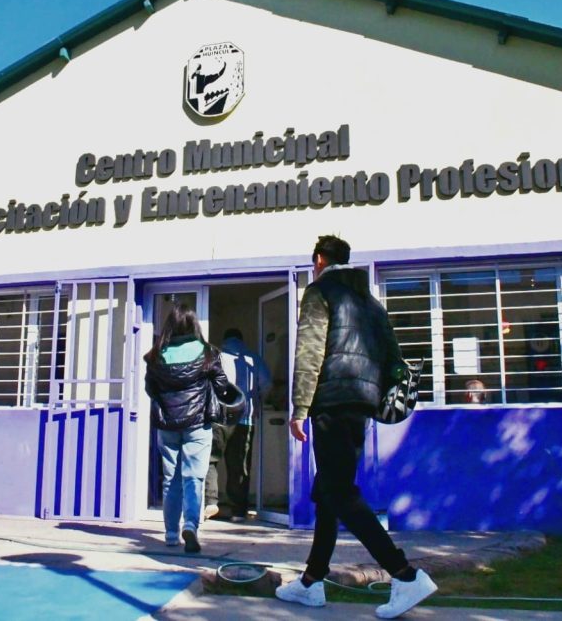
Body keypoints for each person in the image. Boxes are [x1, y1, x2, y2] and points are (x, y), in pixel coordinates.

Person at [275, 235, 437, 619]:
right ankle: (311, 582)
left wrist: (299, 408)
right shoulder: (371, 302)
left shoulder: (320, 292)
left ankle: (405, 574)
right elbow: (393, 358)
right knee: (328, 491)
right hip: (361, 405)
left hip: (331, 401)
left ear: (319, 260)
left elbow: (310, 350)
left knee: (341, 493)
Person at [144, 303, 228, 554]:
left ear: (170, 325)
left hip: (167, 424)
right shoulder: (208, 353)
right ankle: (190, 524)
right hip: (197, 424)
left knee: (171, 479)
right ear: (194, 325)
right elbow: (222, 386)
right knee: (194, 477)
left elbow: (150, 389)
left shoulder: (156, 355)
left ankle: (171, 534)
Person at [204, 327, 272, 522]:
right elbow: (266, 384)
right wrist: (257, 401)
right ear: (241, 340)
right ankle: (238, 511)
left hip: (218, 418)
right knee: (239, 466)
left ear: (225, 340)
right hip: (244, 418)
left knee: (211, 460)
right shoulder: (253, 359)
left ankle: (210, 502)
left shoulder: (216, 357)